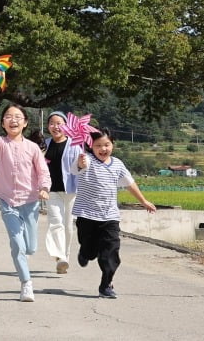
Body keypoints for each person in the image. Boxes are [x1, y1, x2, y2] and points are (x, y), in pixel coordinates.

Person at [67, 127, 157, 299]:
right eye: (98, 145)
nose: (103, 149)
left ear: (113, 145)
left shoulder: (117, 164)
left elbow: (129, 184)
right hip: (86, 215)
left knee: (111, 253)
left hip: (110, 217)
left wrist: (144, 201)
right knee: (90, 249)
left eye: (107, 144)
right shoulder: (86, 159)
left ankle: (106, 285)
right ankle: (85, 253)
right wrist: (80, 163)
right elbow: (75, 169)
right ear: (90, 147)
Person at [0, 103, 51, 302]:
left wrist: (44, 188)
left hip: (30, 202)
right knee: (18, 245)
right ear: (3, 123)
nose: (13, 120)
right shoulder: (2, 144)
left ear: (25, 122)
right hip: (8, 201)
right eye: (8, 117)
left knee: (30, 247)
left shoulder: (33, 148)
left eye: (18, 117)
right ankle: (26, 283)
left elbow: (43, 172)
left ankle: (24, 254)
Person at [43, 110, 82, 274]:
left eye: (59, 123)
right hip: (51, 191)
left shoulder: (75, 145)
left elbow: (81, 170)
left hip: (71, 190)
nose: (55, 127)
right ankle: (60, 257)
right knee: (55, 222)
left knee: (67, 225)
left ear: (66, 126)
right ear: (48, 126)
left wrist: (82, 164)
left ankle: (65, 255)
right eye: (52, 123)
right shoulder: (44, 144)